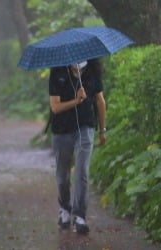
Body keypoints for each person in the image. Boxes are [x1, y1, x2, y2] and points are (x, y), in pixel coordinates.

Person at [49, 59, 106, 234]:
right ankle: (65, 209)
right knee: (62, 175)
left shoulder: (92, 72)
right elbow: (55, 107)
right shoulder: (58, 71)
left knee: (82, 172)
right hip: (62, 130)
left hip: (85, 128)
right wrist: (76, 100)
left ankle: (80, 216)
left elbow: (100, 102)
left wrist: (102, 130)